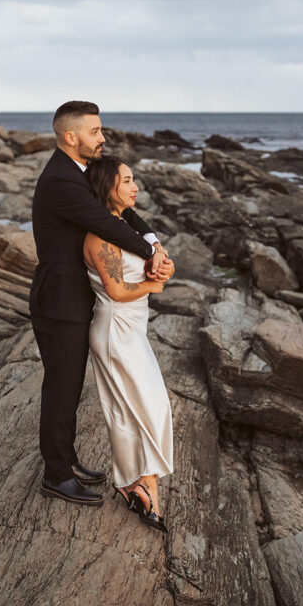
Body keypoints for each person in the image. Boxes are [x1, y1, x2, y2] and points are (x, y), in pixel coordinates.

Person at [29, 100, 174, 507]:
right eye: (94, 131)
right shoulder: (60, 179)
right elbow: (105, 222)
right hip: (59, 302)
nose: (102, 137)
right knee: (61, 389)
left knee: (70, 387)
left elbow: (122, 213)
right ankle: (56, 475)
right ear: (70, 136)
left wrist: (154, 244)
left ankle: (66, 460)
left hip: (77, 301)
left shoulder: (80, 172)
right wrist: (151, 257)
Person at [83, 156, 174, 533]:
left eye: (133, 180)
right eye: (126, 181)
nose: (135, 187)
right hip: (115, 330)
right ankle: (145, 487)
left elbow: (157, 255)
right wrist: (156, 284)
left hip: (134, 329)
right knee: (147, 408)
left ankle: (132, 482)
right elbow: (117, 291)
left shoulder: (127, 226)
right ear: (107, 187)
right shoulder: (100, 236)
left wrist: (164, 263)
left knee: (131, 410)